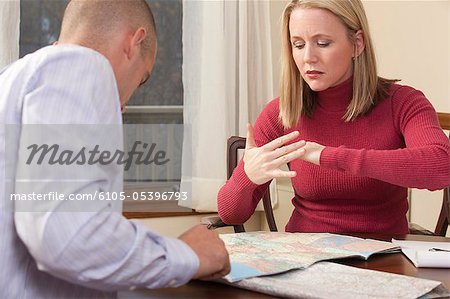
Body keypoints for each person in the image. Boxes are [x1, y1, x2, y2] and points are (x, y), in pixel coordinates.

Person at [0, 1, 229, 298]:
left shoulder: (12, 79)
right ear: (134, 42)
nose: (124, 104)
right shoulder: (80, 65)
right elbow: (65, 234)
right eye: (142, 79)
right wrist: (188, 254)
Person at [218, 0, 450, 235]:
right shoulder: (281, 113)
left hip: (382, 262)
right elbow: (230, 214)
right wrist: (248, 178)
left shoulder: (403, 102)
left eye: (322, 43)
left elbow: (442, 165)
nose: (308, 57)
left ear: (357, 44)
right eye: (298, 45)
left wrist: (327, 156)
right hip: (304, 258)